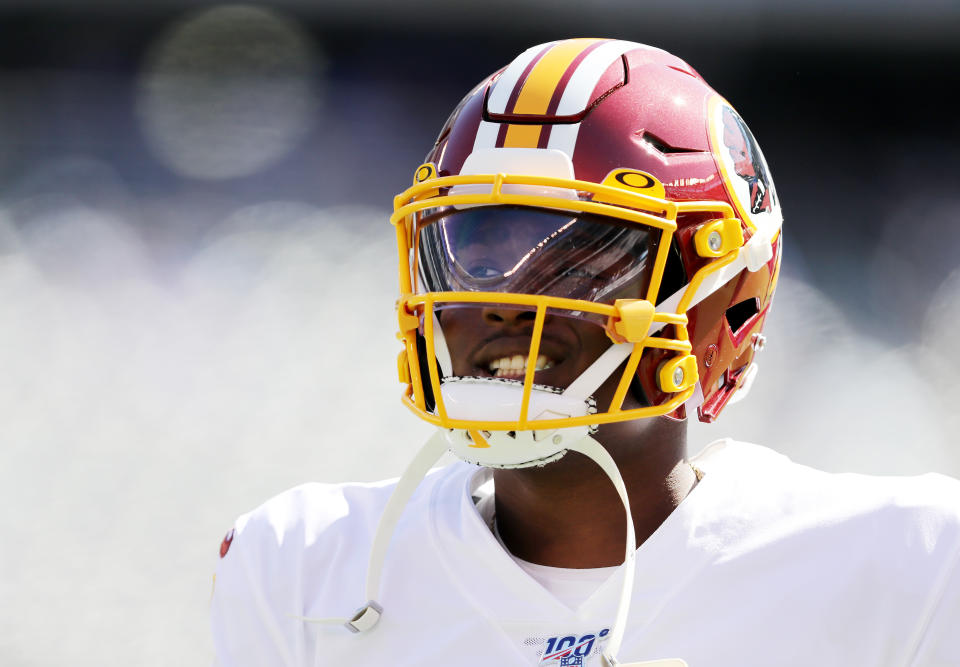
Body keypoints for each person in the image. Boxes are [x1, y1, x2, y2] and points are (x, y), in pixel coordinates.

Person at [210, 39, 960, 666]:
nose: (504, 297)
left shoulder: (911, 564)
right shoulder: (303, 566)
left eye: (579, 259)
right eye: (472, 248)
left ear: (720, 299)